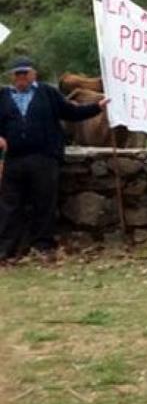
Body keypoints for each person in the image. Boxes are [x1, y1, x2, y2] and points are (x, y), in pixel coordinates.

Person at [0, 56, 108, 261]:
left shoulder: (48, 93)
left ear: (33, 74)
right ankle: (6, 249)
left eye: (25, 72)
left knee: (44, 202)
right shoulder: (2, 96)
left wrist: (97, 107)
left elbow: (71, 112)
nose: (21, 77)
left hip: (44, 158)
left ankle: (43, 246)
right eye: (17, 73)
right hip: (13, 158)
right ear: (12, 76)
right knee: (9, 205)